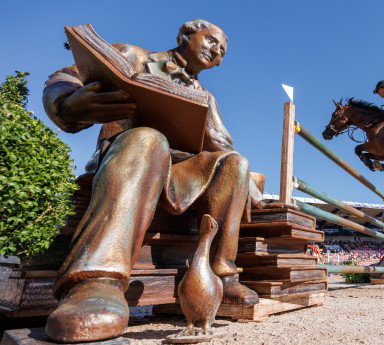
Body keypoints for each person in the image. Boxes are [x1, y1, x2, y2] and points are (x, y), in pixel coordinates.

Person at [42, 20, 261, 342]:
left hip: (182, 171)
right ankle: (96, 282)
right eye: (214, 41)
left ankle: (221, 277)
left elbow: (222, 144)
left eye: (223, 52)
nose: (218, 53)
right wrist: (67, 104)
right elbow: (65, 77)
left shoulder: (205, 96)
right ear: (188, 34)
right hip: (131, 157)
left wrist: (255, 192)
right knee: (148, 138)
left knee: (235, 163)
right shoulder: (133, 56)